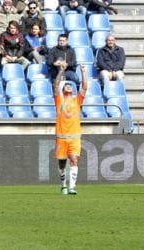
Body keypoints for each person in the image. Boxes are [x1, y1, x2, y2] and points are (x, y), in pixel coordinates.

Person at [53, 64, 87, 195]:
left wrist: (83, 72)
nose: (69, 86)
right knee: (62, 163)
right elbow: (55, 86)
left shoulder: (77, 101)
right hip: (61, 138)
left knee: (74, 159)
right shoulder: (59, 100)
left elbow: (84, 88)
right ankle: (63, 185)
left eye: (71, 86)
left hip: (74, 137)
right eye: (66, 85)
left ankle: (72, 187)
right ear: (63, 90)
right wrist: (61, 71)